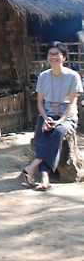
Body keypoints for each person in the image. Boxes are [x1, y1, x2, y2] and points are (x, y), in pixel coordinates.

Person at [23, 41, 83, 191]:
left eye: (57, 54)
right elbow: (39, 103)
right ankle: (45, 177)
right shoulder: (43, 76)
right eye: (51, 54)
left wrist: (59, 122)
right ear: (47, 57)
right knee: (42, 136)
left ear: (64, 57)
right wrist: (46, 118)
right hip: (47, 114)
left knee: (57, 132)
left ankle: (33, 167)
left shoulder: (73, 76)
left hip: (67, 116)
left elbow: (72, 104)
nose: (54, 57)